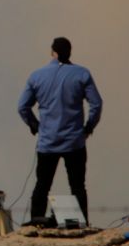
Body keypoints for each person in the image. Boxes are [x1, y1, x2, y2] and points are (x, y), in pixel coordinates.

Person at [18, 37, 102, 225]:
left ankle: (36, 223)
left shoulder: (37, 76)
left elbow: (22, 107)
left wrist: (35, 125)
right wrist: (88, 127)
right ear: (70, 52)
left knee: (42, 185)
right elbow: (96, 104)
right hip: (74, 141)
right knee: (78, 186)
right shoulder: (82, 74)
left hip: (48, 142)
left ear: (52, 52)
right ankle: (83, 224)